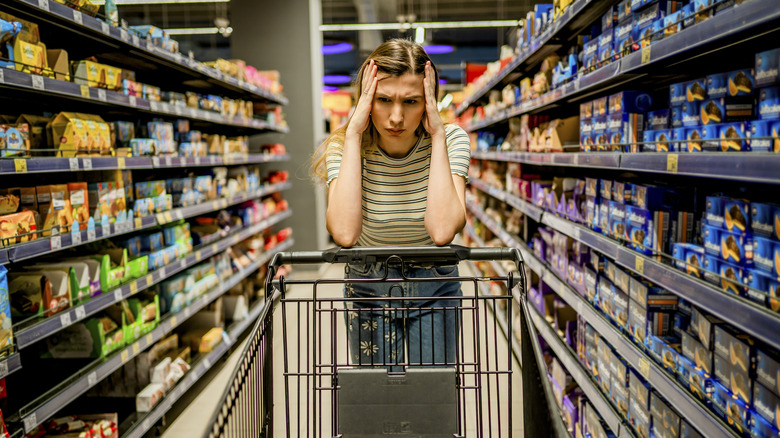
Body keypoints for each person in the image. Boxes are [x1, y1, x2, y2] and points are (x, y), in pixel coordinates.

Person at [312, 38, 471, 368]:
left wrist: (438, 135)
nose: (396, 116)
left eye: (411, 101)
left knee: (432, 397)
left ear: (428, 101)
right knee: (379, 402)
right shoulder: (343, 146)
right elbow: (344, 233)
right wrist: (354, 132)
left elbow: (442, 231)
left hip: (434, 286)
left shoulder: (451, 140)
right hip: (367, 289)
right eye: (384, 99)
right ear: (367, 98)